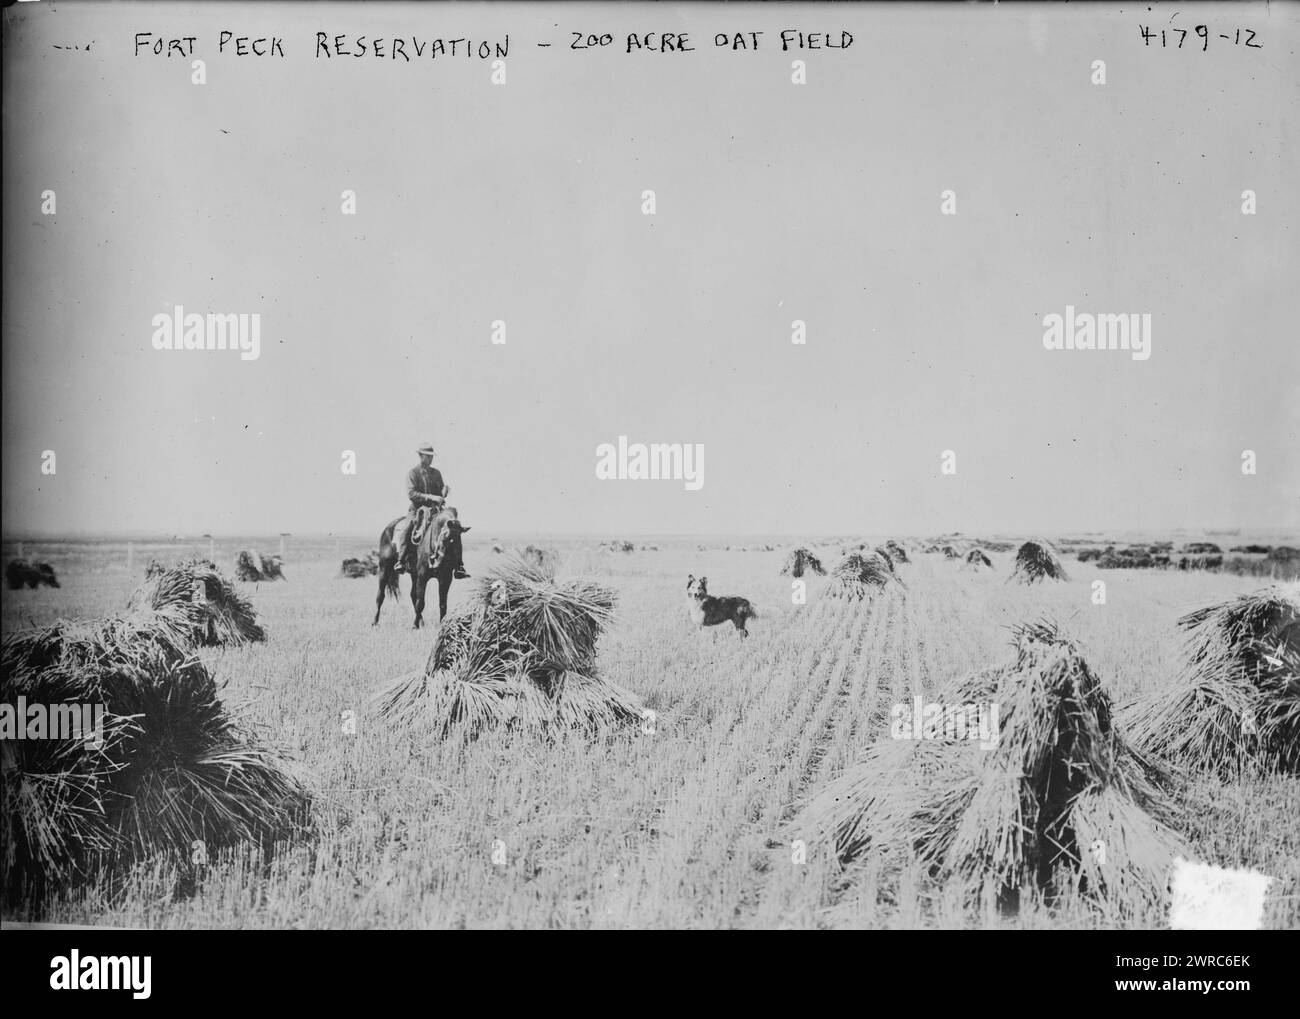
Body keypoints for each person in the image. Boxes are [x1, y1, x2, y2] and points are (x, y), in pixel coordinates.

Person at [393, 443, 469, 578]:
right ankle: (401, 561)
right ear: (420, 456)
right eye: (427, 456)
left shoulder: (436, 473)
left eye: (431, 457)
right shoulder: (412, 473)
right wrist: (431, 497)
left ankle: (459, 566)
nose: (430, 459)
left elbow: (440, 492)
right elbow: (411, 494)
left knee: (454, 529)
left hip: (435, 510)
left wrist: (444, 491)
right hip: (417, 510)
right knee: (407, 528)